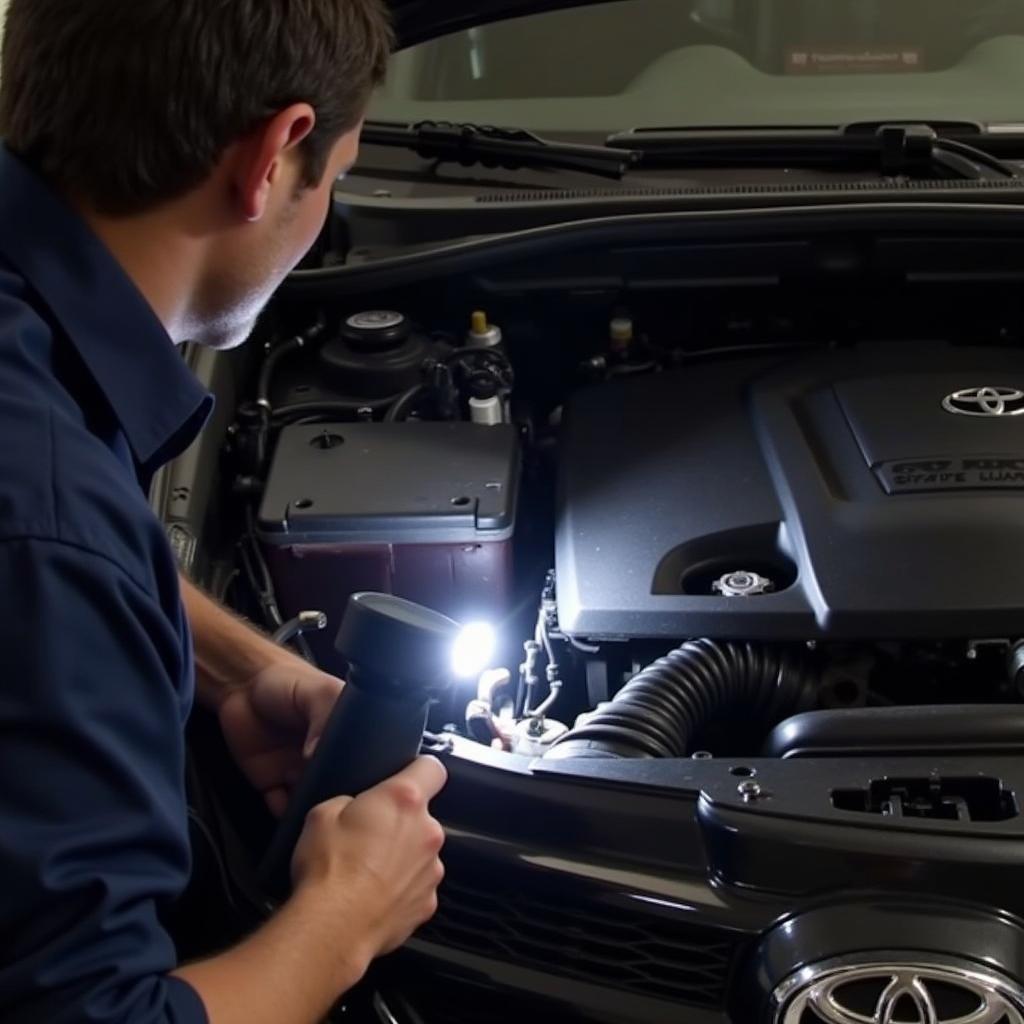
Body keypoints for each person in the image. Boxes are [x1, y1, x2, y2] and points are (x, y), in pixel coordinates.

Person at [0, 2, 448, 1023]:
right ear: (275, 156)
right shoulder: (46, 515)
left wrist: (245, 664)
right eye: (334, 177)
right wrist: (345, 915)